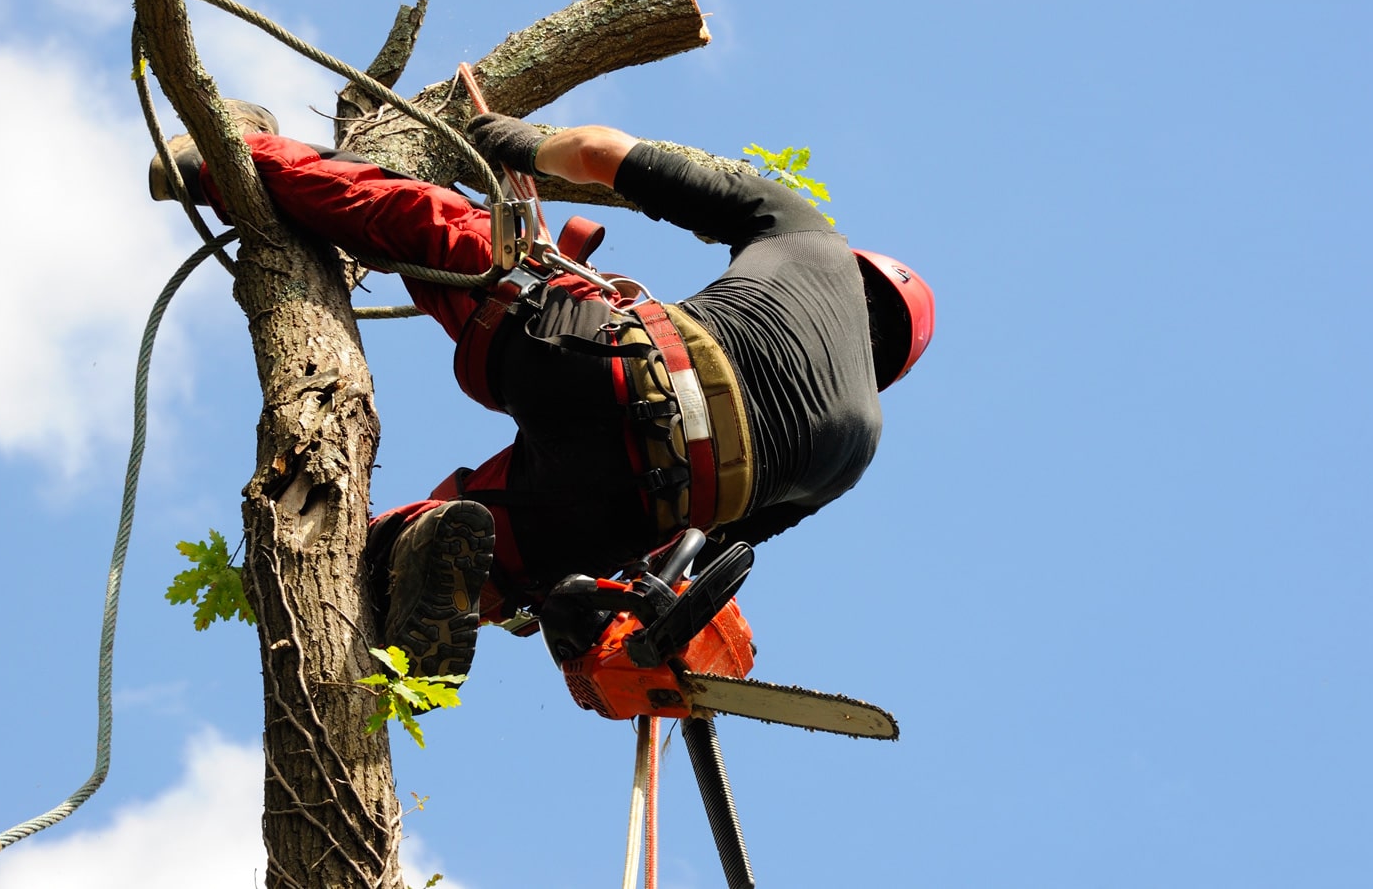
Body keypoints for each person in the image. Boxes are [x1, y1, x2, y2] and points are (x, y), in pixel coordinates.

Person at [150, 100, 935, 683]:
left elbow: (601, 152)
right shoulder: (856, 447)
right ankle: (404, 559)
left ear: (859, 271)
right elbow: (697, 551)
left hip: (606, 364)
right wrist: (592, 604)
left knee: (445, 228)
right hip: (633, 501)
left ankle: (228, 158)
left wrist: (512, 142)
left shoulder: (808, 235)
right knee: (492, 549)